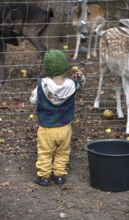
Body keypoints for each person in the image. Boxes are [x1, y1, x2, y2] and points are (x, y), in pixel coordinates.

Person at [30, 49, 86, 186]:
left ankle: (44, 177)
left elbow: (33, 100)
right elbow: (81, 84)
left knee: (45, 152)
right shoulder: (72, 85)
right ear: (65, 67)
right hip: (65, 127)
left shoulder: (42, 85)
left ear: (47, 68)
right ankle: (59, 175)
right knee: (63, 151)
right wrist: (81, 78)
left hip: (46, 128)